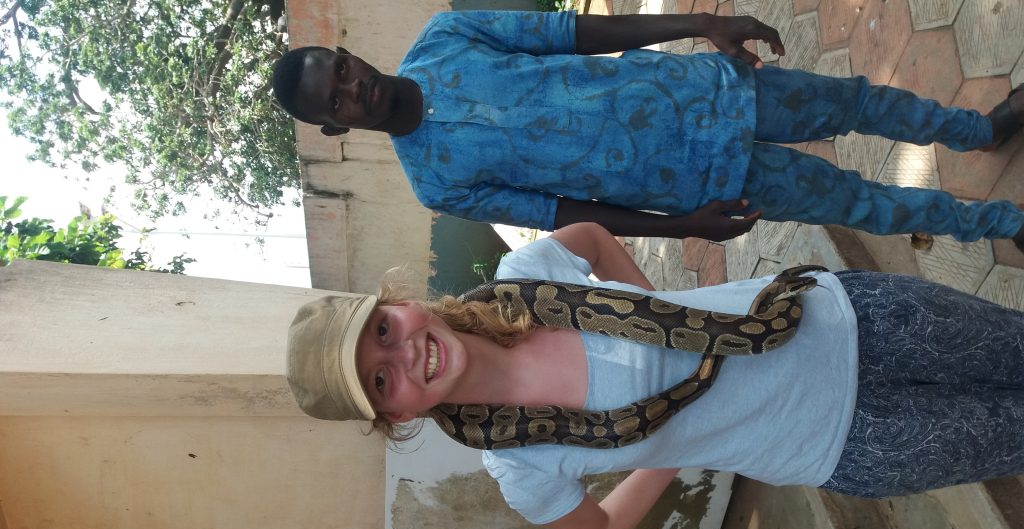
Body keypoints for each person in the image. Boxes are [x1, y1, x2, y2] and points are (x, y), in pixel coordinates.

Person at [286, 223, 1024, 529]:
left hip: (846, 316)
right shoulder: (519, 467)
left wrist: (666, 315)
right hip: (844, 442)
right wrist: (668, 440)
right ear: (394, 414)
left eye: (383, 328)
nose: (405, 354)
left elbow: (592, 237)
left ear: (398, 304)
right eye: (381, 380)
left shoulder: (524, 279)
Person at [271, 10, 1024, 250]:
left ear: (347, 53)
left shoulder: (446, 37)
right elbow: (561, 215)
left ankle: (978, 130)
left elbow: (577, 33)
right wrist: (683, 227)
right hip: (707, 182)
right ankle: (1001, 223)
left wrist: (702, 23)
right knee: (857, 203)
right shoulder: (436, 183)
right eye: (337, 100)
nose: (354, 87)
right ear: (335, 129)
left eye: (341, 68)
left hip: (709, 93)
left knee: (856, 102)